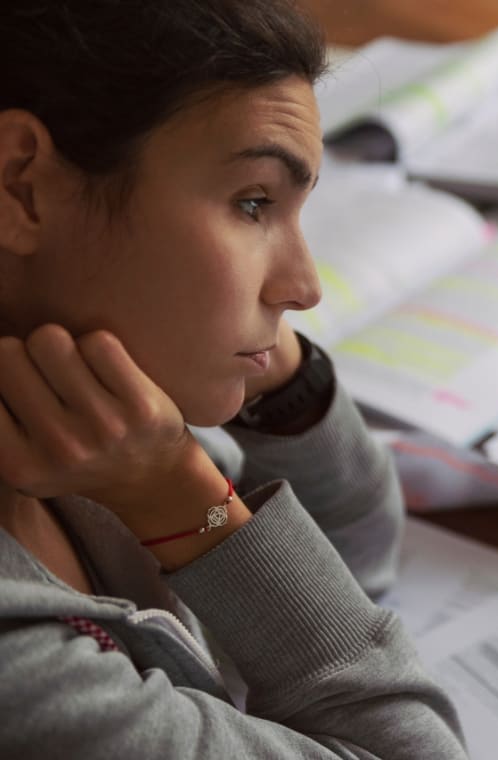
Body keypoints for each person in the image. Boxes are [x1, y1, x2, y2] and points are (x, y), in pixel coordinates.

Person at [0, 1, 468, 757]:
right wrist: (182, 502)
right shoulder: (23, 680)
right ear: (23, 185)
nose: (304, 286)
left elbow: (354, 553)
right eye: (253, 203)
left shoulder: (97, 410)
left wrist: (279, 388)